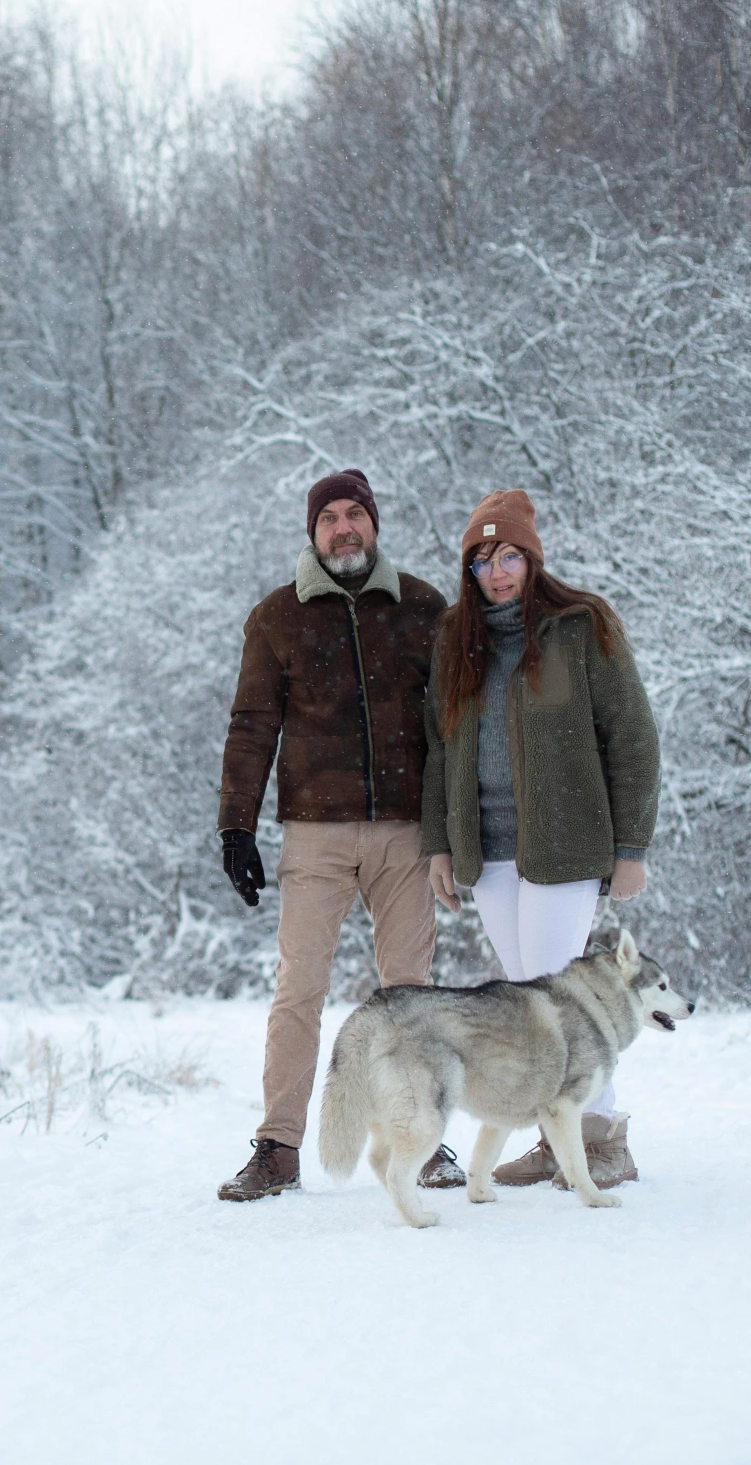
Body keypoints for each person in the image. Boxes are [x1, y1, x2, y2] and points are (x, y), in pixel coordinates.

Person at [215, 469, 451, 1202]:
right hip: (314, 834)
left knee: (410, 992)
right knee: (299, 989)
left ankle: (425, 1143)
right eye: (330, 519)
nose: (344, 528)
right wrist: (236, 826)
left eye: (356, 515)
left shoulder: (421, 607)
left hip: (405, 833)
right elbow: (252, 724)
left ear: (374, 524)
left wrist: (457, 828)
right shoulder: (278, 617)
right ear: (312, 532)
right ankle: (278, 1145)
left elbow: (452, 726)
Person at [419, 489, 661, 1188]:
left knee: (565, 1003)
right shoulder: (454, 641)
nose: (496, 572)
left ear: (531, 557)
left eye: (508, 556)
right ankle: (564, 1141)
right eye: (482, 560)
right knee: (533, 1008)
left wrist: (632, 848)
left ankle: (603, 1141)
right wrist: (441, 845)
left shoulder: (578, 627)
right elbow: (441, 750)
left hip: (564, 847)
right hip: (489, 853)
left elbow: (633, 737)